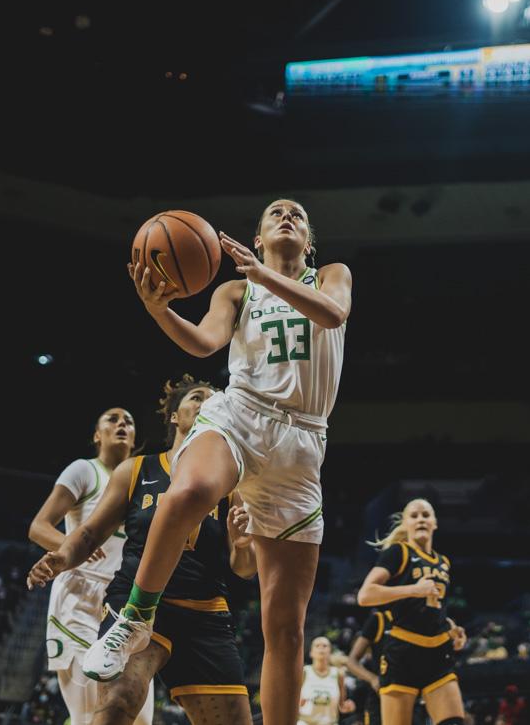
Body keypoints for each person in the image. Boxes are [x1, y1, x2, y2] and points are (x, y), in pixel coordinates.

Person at [86, 200, 352, 725]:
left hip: (301, 445)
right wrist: (160, 310)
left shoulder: (330, 276)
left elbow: (333, 314)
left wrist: (265, 277)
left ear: (310, 240)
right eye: (275, 212)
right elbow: (206, 343)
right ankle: (135, 617)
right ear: (256, 238)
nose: (287, 216)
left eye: (297, 214)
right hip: (242, 414)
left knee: (285, 627)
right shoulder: (236, 290)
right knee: (185, 494)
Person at [28, 377, 256, 725]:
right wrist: (63, 555)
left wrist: (244, 545)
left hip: (205, 612)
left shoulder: (231, 483)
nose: (207, 403)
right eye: (197, 398)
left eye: (214, 400)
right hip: (138, 603)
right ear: (175, 417)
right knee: (118, 705)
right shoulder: (136, 470)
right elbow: (88, 533)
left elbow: (244, 569)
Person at [27, 406, 149, 725]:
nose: (122, 423)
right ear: (97, 436)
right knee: (86, 715)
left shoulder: (144, 480)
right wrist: (74, 546)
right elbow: (38, 527)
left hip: (125, 602)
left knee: (139, 718)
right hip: (80, 596)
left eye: (129, 421)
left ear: (135, 438)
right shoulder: (84, 470)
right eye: (113, 419)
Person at [356, 499, 468, 725]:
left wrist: (452, 627)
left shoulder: (443, 562)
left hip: (438, 652)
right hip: (402, 653)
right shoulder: (398, 552)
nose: (420, 520)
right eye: (414, 516)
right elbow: (365, 595)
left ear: (435, 523)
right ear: (405, 524)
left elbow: (432, 608)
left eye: (426, 515)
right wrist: (414, 590)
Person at [346, 609, 393, 725]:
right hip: (380, 694)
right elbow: (351, 661)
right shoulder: (380, 619)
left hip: (411, 695)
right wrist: (373, 679)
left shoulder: (419, 620)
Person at [298, 636, 354, 725]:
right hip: (305, 722)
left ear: (330, 652)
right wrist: (298, 704)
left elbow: (341, 706)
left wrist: (349, 706)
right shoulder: (304, 672)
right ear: (311, 653)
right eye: (317, 645)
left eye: (325, 646)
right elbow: (293, 703)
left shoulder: (338, 674)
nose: (321, 648)